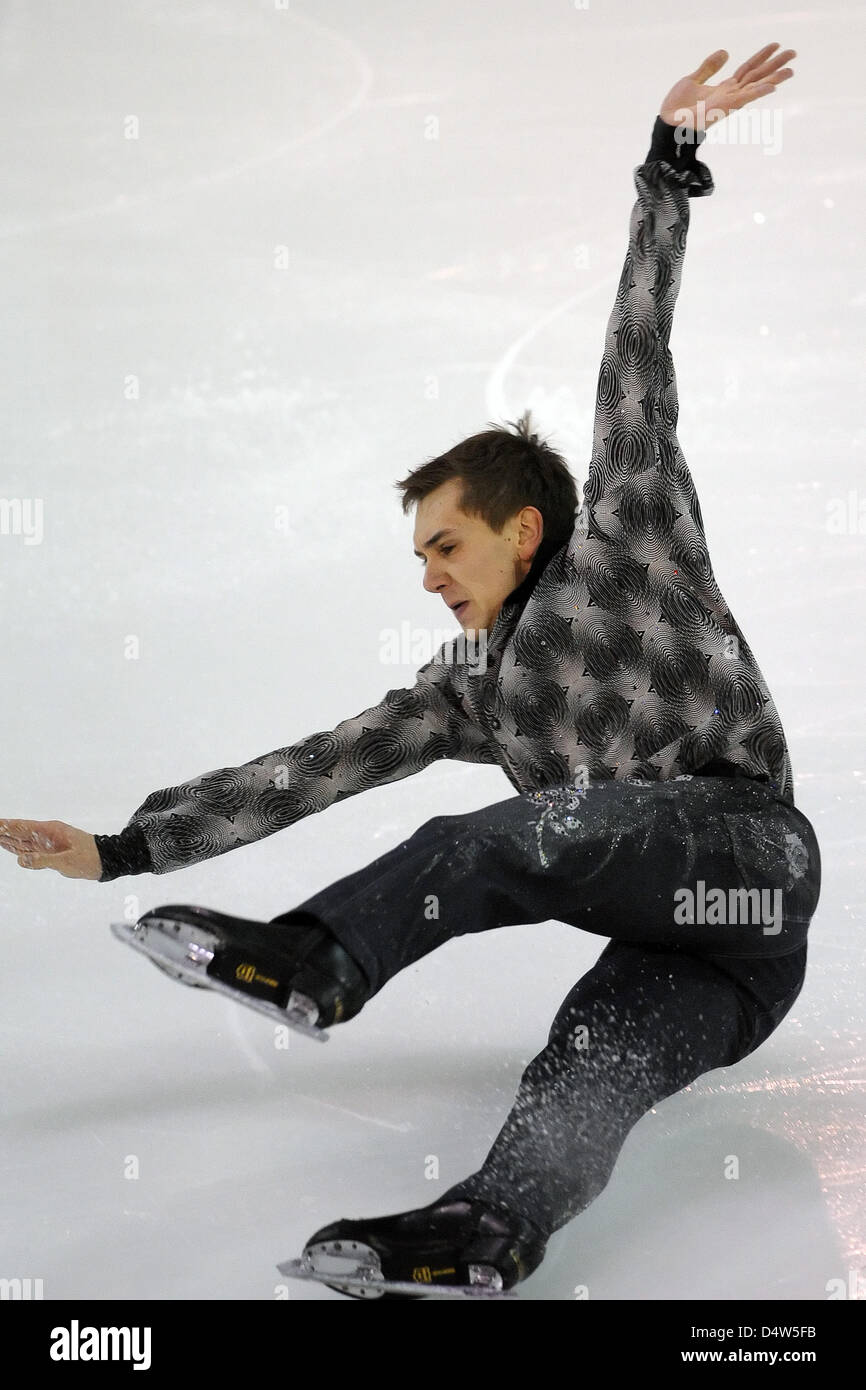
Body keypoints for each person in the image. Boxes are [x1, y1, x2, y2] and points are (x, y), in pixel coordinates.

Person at [0, 43, 819, 1300]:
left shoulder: (629, 533)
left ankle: (323, 961)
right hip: (723, 966)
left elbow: (635, 353)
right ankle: (485, 1230)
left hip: (752, 857)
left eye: (445, 544)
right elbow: (314, 767)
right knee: (581, 1064)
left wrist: (668, 165)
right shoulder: (471, 692)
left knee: (509, 831)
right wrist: (125, 849)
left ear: (522, 526)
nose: (429, 574)